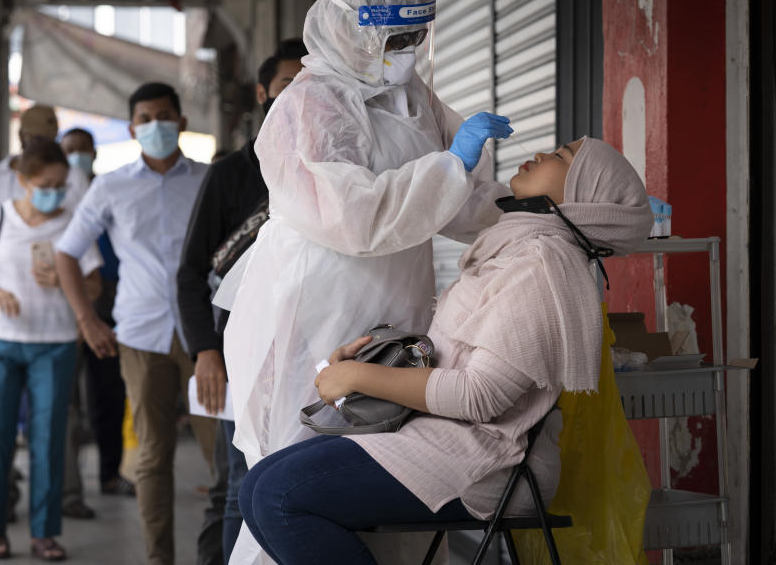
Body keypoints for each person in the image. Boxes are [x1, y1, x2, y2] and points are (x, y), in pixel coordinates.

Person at [216, 0, 511, 562]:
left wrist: (539, 210)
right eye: (392, 38)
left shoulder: (413, 98)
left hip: (393, 309)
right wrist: (451, 168)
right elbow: (352, 216)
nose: (403, 53)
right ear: (348, 28)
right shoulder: (308, 105)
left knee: (384, 467)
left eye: (413, 37)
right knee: (297, 473)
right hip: (314, 312)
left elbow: (453, 200)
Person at [238, 138, 654, 564]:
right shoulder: (517, 250)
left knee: (278, 496)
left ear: (584, 198)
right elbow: (455, 355)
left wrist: (359, 378)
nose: (544, 154)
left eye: (562, 158)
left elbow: (481, 396)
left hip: (489, 462)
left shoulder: (541, 267)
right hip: (440, 436)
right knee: (257, 487)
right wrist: (368, 360)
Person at [55, 82, 217, 565]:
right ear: (132, 128)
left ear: (182, 122)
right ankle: (158, 558)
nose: (155, 126)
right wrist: (87, 319)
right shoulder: (111, 185)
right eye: (145, 118)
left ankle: (224, 555)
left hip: (206, 336)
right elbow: (67, 252)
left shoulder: (211, 180)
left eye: (164, 116)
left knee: (224, 456)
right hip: (141, 333)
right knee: (152, 456)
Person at [177, 38, 307, 565]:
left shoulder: (336, 166)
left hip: (315, 349)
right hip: (242, 351)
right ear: (261, 93)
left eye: (311, 85)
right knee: (240, 479)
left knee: (295, 482)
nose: (300, 97)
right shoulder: (231, 174)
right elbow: (190, 273)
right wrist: (206, 351)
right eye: (287, 86)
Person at [0, 142, 104, 561]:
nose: (53, 192)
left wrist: (61, 280)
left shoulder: (72, 225)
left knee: (49, 440)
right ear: (23, 181)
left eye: (60, 185)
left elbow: (93, 286)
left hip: (54, 346)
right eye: (45, 185)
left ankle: (45, 533)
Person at [57, 128, 134, 521]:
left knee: (108, 393)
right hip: (67, 307)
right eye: (69, 151)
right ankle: (68, 487)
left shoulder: (109, 189)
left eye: (82, 151)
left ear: (93, 153)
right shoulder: (56, 191)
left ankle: (109, 474)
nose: (76, 158)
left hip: (110, 299)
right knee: (67, 401)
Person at [0, 104, 89, 218]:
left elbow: (85, 224)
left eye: (58, 185)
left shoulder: (74, 175)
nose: (37, 147)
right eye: (33, 138)